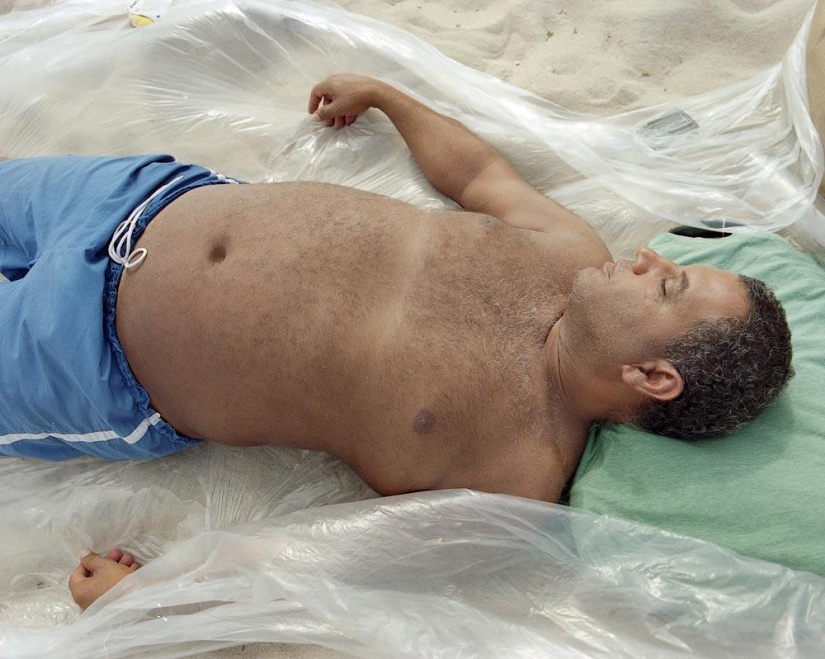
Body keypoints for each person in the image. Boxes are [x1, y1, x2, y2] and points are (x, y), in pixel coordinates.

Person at [0, 75, 792, 610]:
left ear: (652, 375)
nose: (650, 257)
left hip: (83, 352)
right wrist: (386, 96)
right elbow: (479, 174)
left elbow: (317, 559)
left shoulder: (508, 476)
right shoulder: (567, 251)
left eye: (668, 286)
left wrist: (151, 592)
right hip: (139, 195)